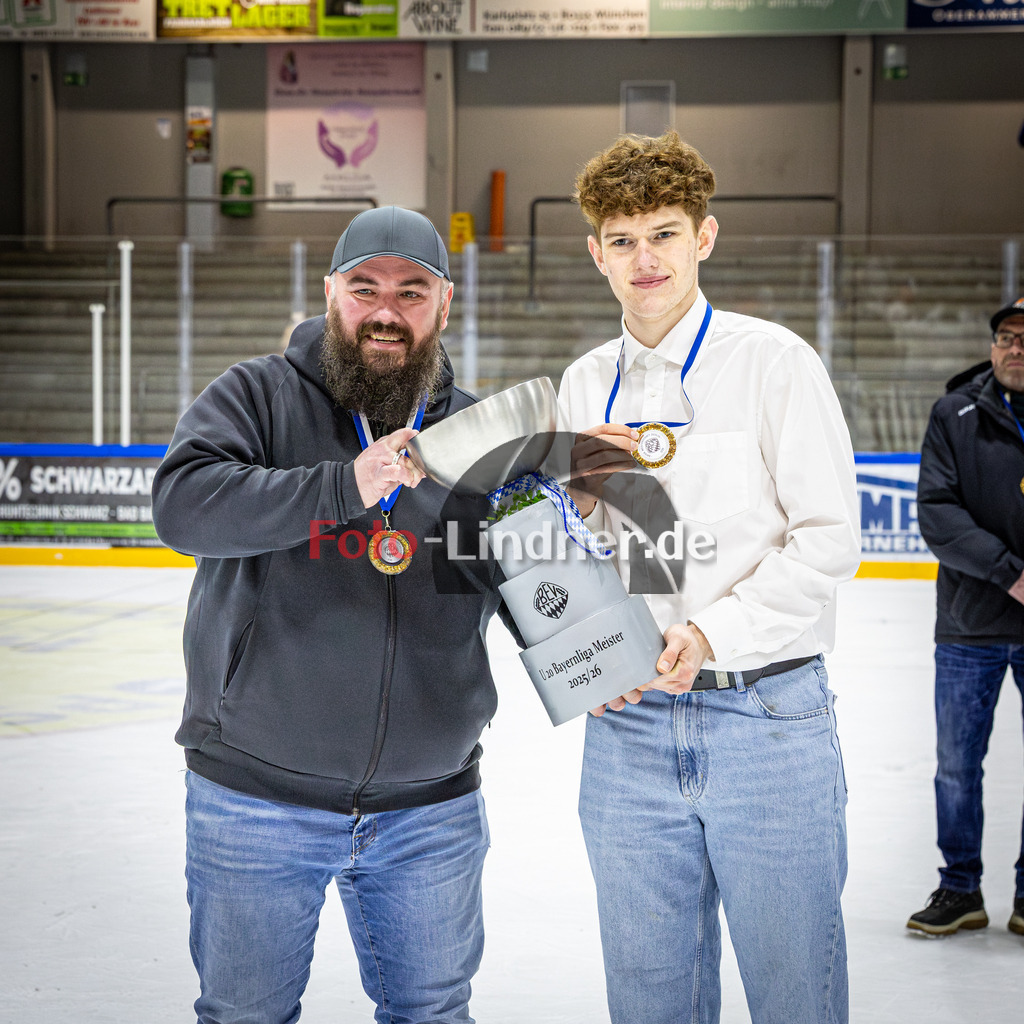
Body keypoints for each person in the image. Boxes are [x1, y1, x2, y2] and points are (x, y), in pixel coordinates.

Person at [152, 205, 507, 1024]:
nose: (386, 311)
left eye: (412, 292)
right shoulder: (257, 395)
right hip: (254, 801)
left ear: (444, 305)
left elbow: (518, 583)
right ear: (331, 294)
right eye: (365, 288)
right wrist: (343, 486)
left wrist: (596, 625)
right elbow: (183, 506)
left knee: (433, 1014)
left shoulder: (476, 436)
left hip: (431, 807)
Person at [556, 132, 861, 1024]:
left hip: (766, 720)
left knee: (793, 988)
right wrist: (588, 645)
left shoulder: (774, 363)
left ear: (705, 238)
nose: (643, 258)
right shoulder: (582, 384)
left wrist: (713, 631)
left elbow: (829, 538)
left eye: (663, 234)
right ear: (595, 253)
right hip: (630, 732)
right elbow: (569, 553)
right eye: (622, 239)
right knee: (649, 996)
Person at [907, 296, 1024, 938]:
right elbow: (938, 514)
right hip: (968, 626)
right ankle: (961, 889)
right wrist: (1013, 573)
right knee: (957, 765)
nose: (1014, 349)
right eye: (1006, 337)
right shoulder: (954, 412)